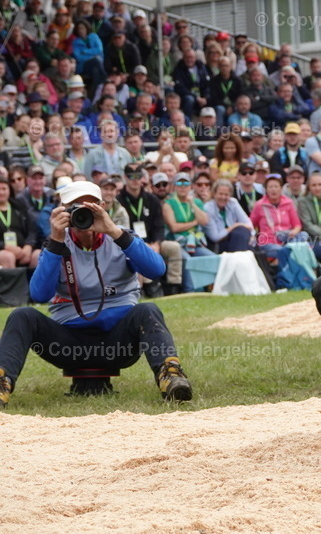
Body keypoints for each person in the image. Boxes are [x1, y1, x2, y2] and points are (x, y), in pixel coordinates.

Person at [0, 180, 192, 408]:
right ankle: (3, 382)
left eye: (90, 207)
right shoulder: (55, 246)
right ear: (62, 211)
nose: (83, 214)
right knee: (22, 316)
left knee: (147, 309)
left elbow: (157, 270)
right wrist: (56, 241)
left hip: (119, 342)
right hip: (67, 344)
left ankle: (170, 376)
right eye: (75, 208)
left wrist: (114, 231)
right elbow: (39, 294)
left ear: (103, 207)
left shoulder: (122, 238)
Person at [117, 163, 183, 296]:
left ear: (143, 177)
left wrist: (157, 242)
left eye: (138, 176)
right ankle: (151, 288)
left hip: (153, 242)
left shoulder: (151, 199)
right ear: (125, 177)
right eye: (131, 177)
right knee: (141, 252)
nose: (135, 180)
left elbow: (159, 225)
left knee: (174, 247)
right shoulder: (119, 200)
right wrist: (140, 244)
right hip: (131, 243)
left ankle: (173, 287)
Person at [162, 172, 214, 290]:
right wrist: (195, 222)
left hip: (194, 242)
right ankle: (189, 290)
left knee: (212, 258)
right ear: (174, 186)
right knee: (188, 260)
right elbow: (174, 227)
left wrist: (192, 203)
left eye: (186, 183)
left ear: (191, 186)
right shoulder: (169, 204)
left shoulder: (196, 202)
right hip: (178, 242)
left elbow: (204, 220)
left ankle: (210, 289)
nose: (182, 186)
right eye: (179, 183)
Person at [203, 178, 254, 253]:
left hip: (235, 240)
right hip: (217, 245)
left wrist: (252, 235)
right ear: (214, 194)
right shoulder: (208, 208)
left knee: (242, 233)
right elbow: (215, 237)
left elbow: (247, 223)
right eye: (220, 194)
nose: (223, 197)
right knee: (240, 231)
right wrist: (235, 226)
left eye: (226, 194)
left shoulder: (233, 202)